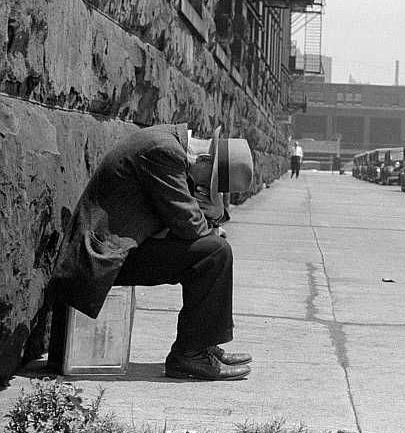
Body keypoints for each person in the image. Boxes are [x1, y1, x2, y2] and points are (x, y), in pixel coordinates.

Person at [50, 123, 254, 381]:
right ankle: (189, 355)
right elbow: (188, 223)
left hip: (120, 247)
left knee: (214, 251)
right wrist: (213, 222)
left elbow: (188, 218)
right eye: (204, 184)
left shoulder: (169, 144)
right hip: (101, 257)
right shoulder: (164, 152)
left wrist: (214, 217)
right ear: (204, 159)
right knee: (214, 252)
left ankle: (201, 346)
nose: (199, 189)